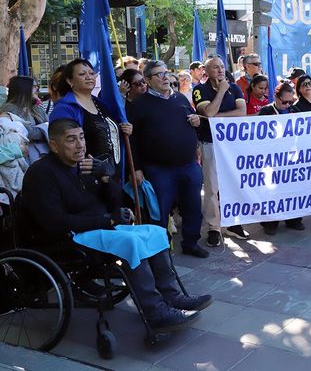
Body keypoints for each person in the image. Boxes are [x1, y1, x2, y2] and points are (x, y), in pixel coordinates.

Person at [19, 119, 212, 332]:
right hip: (68, 236)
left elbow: (116, 202)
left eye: (81, 137)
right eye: (71, 140)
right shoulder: (42, 173)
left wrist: (104, 176)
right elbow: (54, 222)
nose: (80, 145)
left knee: (155, 232)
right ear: (54, 145)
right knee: (130, 241)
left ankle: (173, 296)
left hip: (98, 227)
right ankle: (155, 311)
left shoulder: (84, 165)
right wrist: (108, 220)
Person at [127, 60, 208, 258]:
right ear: (147, 79)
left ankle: (190, 242)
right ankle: (160, 249)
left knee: (193, 207)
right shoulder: (139, 105)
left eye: (166, 73)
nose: (165, 78)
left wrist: (197, 121)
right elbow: (132, 140)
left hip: (188, 165)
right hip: (158, 168)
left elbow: (194, 121)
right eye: (159, 74)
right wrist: (135, 168)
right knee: (159, 211)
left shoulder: (180, 98)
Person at [192, 57, 248, 247]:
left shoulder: (235, 87)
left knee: (232, 184)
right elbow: (207, 112)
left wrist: (217, 118)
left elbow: (242, 111)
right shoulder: (200, 89)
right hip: (210, 143)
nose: (221, 70)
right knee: (211, 187)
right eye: (216, 67)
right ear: (207, 71)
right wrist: (222, 91)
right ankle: (214, 227)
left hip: (232, 145)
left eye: (222, 67)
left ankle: (233, 222)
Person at [49, 58, 133, 180]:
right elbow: (63, 146)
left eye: (91, 73)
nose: (89, 77)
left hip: (111, 175)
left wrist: (125, 129)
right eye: (82, 74)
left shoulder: (100, 103)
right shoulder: (65, 109)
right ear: (69, 81)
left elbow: (110, 132)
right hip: (85, 178)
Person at [258, 82, 306, 235]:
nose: (287, 105)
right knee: (272, 191)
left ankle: (294, 219)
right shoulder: (266, 112)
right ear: (276, 97)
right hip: (272, 158)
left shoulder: (294, 110)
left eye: (290, 101)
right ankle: (270, 222)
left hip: (291, 156)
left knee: (292, 189)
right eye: (284, 102)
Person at [0, 76, 48, 154]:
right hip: (26, 156)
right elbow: (25, 132)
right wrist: (45, 129)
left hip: (44, 152)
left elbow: (51, 126)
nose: (37, 89)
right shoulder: (9, 109)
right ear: (24, 89)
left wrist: (43, 129)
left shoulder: (36, 108)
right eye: (34, 86)